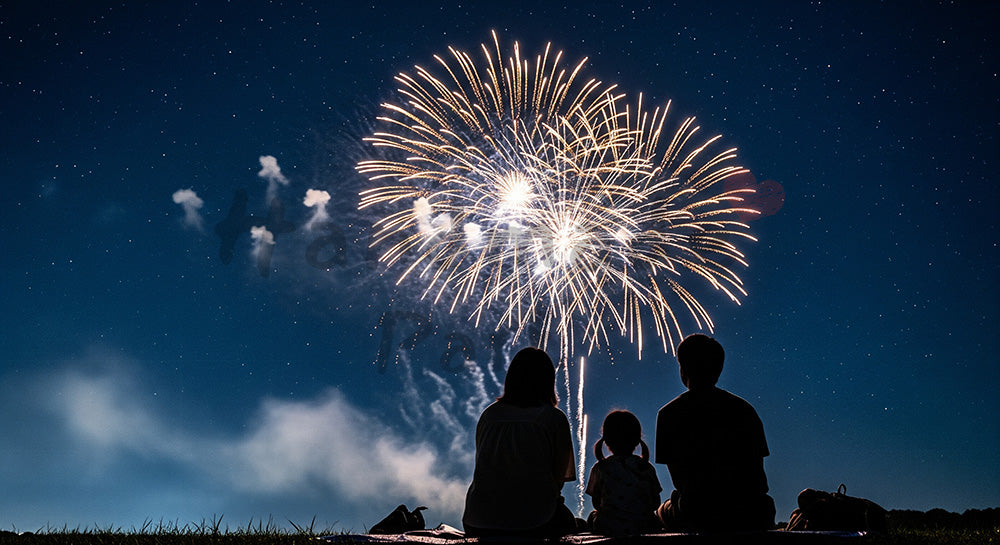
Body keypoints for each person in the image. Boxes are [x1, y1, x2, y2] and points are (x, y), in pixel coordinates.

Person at [654, 334, 776, 532]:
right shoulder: (744, 409)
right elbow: (758, 477)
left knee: (662, 510)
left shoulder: (669, 413)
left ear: (683, 369)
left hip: (698, 512)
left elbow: (680, 481)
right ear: (718, 370)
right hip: (752, 511)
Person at [462, 347, 579, 537]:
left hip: (477, 520)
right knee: (572, 523)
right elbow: (558, 478)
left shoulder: (489, 415)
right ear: (548, 381)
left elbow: (483, 463)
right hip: (535, 523)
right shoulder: (553, 418)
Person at [585, 410, 662, 535]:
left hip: (609, 525)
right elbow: (655, 502)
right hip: (644, 524)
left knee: (592, 516)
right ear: (637, 441)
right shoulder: (646, 467)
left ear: (607, 441)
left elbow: (596, 503)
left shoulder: (600, 468)